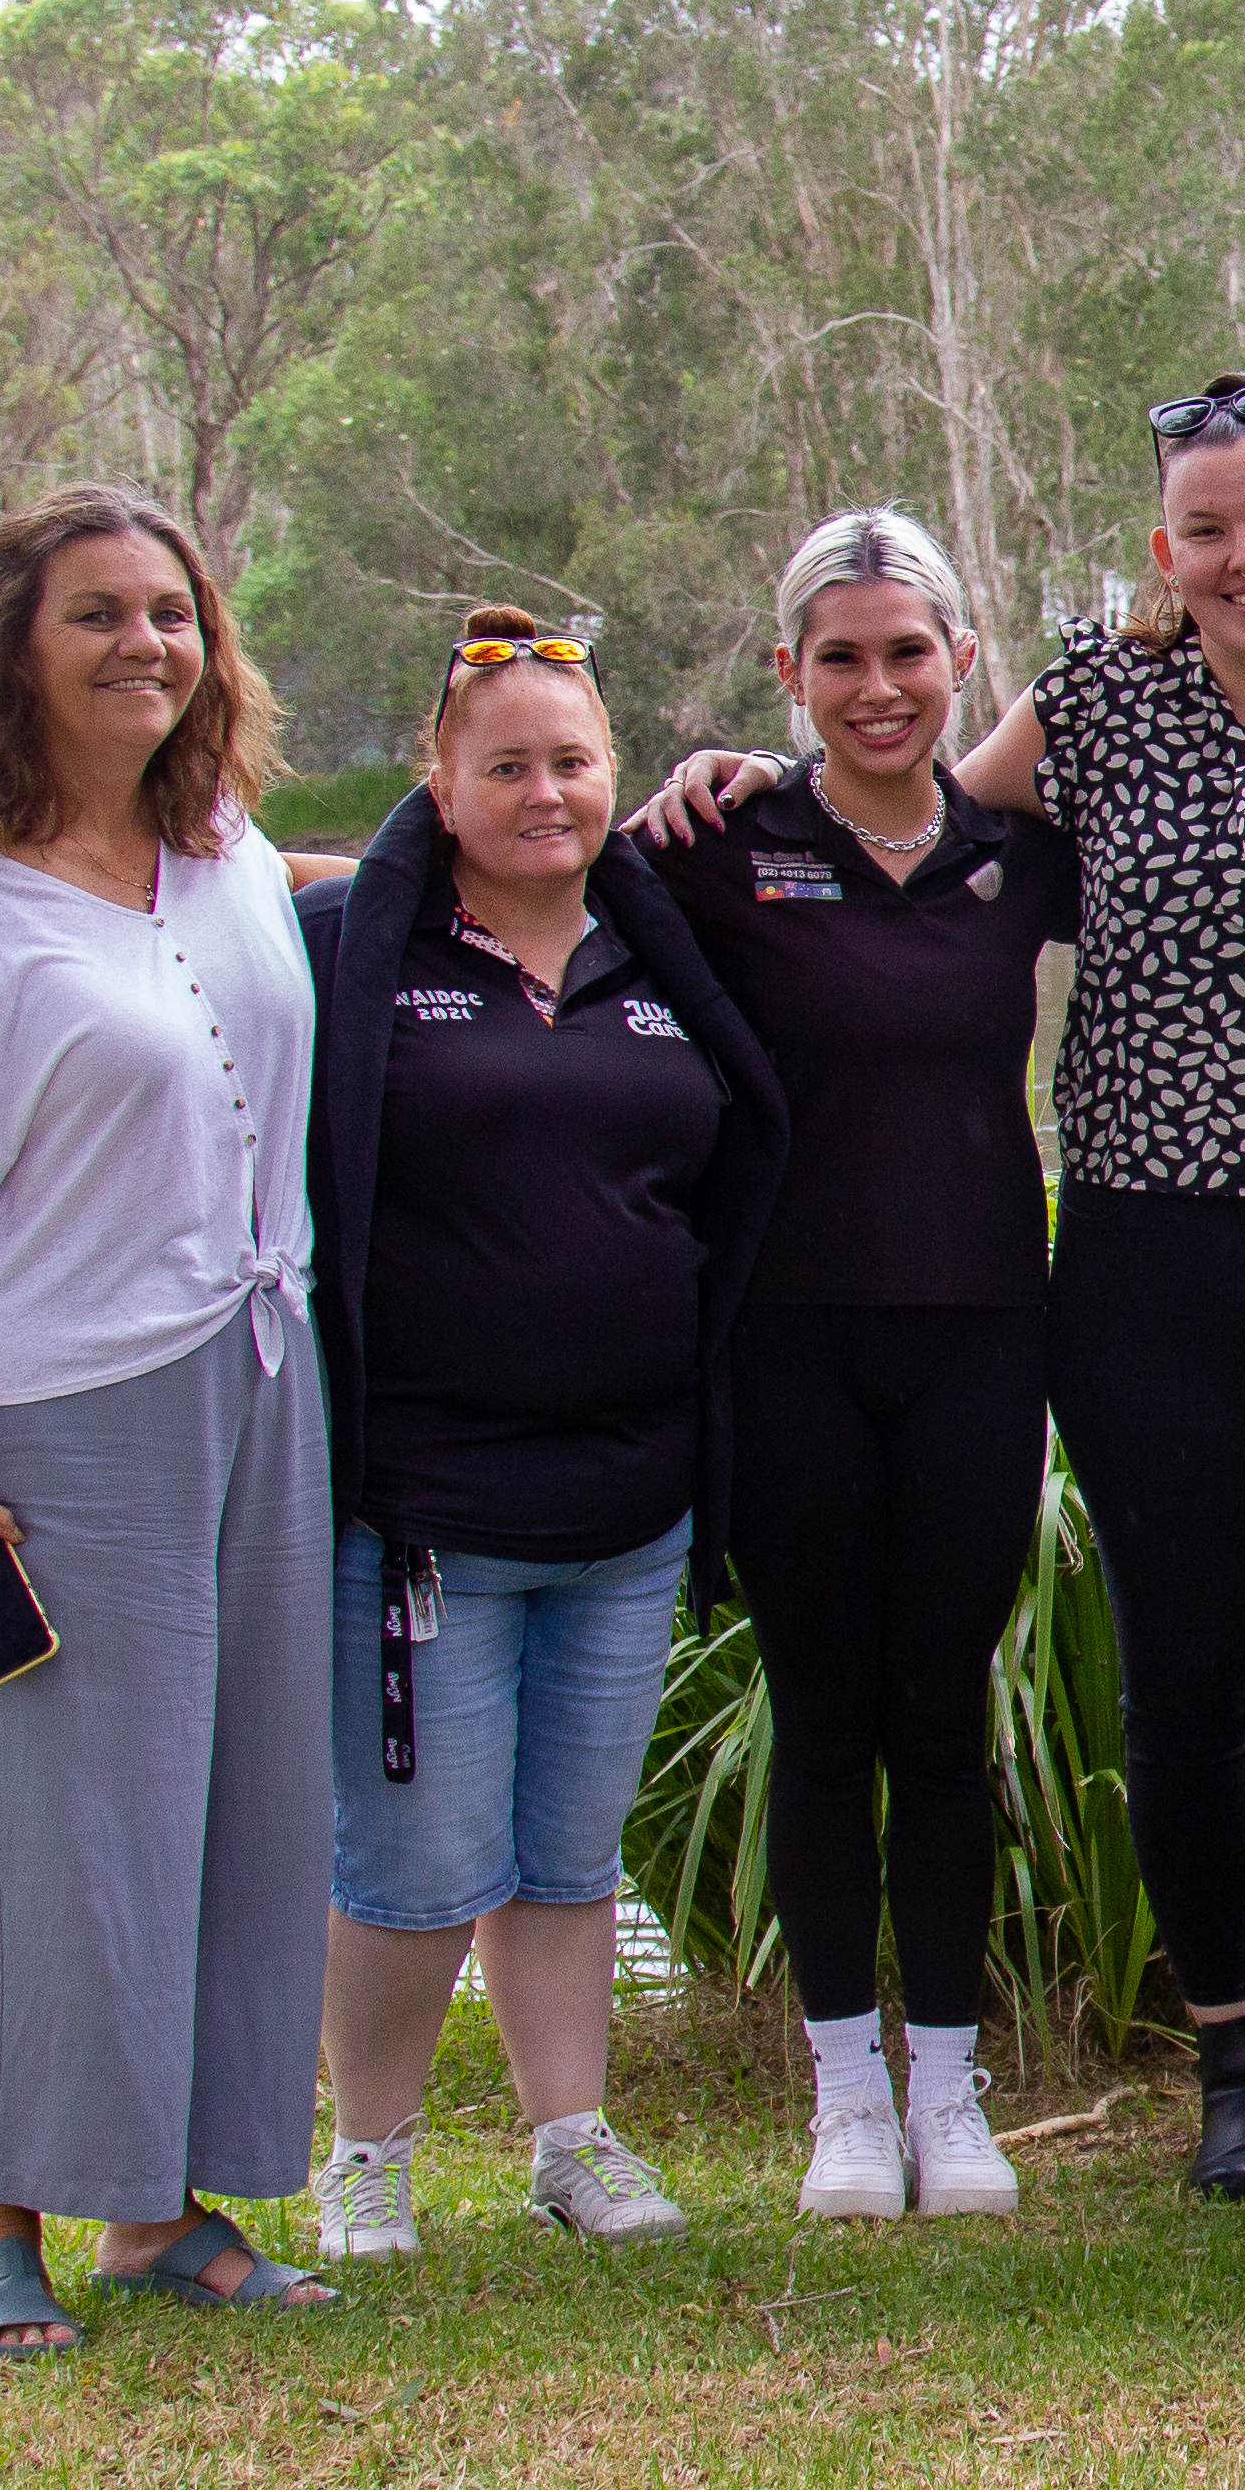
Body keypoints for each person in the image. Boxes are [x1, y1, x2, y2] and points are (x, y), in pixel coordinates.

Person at [642, 374, 1245, 2207]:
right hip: (1146, 1260)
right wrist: (732, 787)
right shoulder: (1097, 711)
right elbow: (895, 843)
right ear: (1161, 554)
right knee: (1188, 1687)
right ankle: (1234, 2058)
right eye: (1206, 527)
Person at [0, 485, 343, 2351]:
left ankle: (165, 2210)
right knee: (61, 1819)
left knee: (231, 1805)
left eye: (171, 611)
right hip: (51, 1409)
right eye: (95, 615)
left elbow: (295, 940)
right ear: (13, 651)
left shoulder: (220, 850)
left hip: (262, 1382)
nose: (144, 641)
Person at [298, 610, 786, 2261]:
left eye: (571, 761)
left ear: (611, 776)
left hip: (630, 1503)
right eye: (502, 763)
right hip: (426, 1509)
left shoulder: (665, 965)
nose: (543, 792)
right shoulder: (356, 959)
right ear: (437, 783)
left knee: (566, 1852)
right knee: (415, 1862)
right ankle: (364, 2153)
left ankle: (568, 2139)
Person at [649, 512, 1078, 2220]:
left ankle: (950, 2092)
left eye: (908, 652)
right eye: (841, 658)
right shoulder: (721, 841)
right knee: (823, 1717)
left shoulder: (1018, 852)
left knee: (941, 1710)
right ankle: (842, 2092)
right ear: (788, 674)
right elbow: (510, 867)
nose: (878, 686)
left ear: (958, 657)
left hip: (982, 1333)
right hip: (789, 1342)